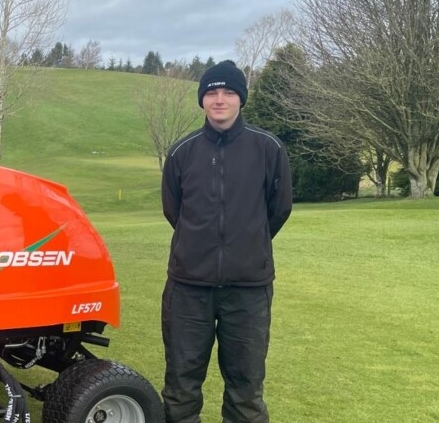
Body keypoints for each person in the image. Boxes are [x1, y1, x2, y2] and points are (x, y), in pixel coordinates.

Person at [160, 60, 293, 423]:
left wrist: (243, 243)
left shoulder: (268, 149)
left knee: (246, 390)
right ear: (203, 100)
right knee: (181, 386)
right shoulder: (181, 152)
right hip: (188, 288)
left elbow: (277, 211)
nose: (220, 99)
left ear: (241, 99)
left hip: (248, 290)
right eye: (212, 93)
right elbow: (175, 211)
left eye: (229, 92)